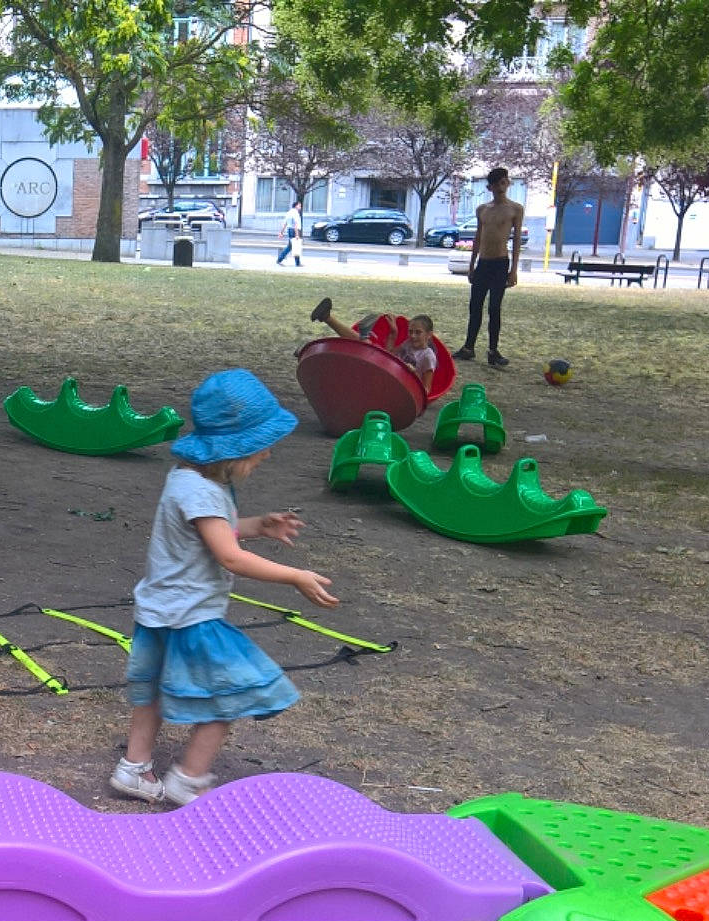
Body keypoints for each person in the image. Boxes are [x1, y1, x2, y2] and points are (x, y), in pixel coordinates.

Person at [107, 369, 338, 807]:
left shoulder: (187, 479)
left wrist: (257, 525)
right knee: (227, 698)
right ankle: (188, 779)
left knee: (151, 694)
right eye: (261, 445)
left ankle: (133, 769)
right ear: (234, 448)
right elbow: (229, 556)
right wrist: (295, 576)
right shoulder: (204, 493)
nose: (267, 453)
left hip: (159, 611)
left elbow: (212, 532)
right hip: (193, 618)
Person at [460, 167, 524, 367]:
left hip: (500, 263)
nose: (500, 187)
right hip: (483, 263)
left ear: (508, 183)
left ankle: (493, 351)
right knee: (475, 306)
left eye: (503, 182)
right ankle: (468, 348)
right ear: (490, 187)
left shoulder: (515, 209)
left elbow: (516, 239)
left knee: (494, 308)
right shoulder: (482, 210)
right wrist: (472, 265)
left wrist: (513, 270)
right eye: (496, 184)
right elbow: (478, 238)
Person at [311, 297, 439, 394]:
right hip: (388, 373)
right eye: (410, 331)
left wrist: (413, 373)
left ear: (429, 335)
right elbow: (390, 354)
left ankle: (363, 336)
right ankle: (326, 317)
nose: (413, 336)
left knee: (366, 346)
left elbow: (426, 391)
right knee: (365, 346)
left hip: (399, 386)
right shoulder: (408, 343)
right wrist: (393, 332)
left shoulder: (428, 356)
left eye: (418, 332)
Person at [277, 201, 304, 267]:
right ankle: (280, 260)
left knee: (291, 246)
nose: (300, 207)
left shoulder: (288, 213)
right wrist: (297, 234)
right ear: (296, 206)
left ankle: (296, 262)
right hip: (294, 230)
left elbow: (285, 224)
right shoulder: (295, 213)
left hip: (289, 230)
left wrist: (281, 232)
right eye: (299, 206)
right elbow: (295, 224)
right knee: (295, 246)